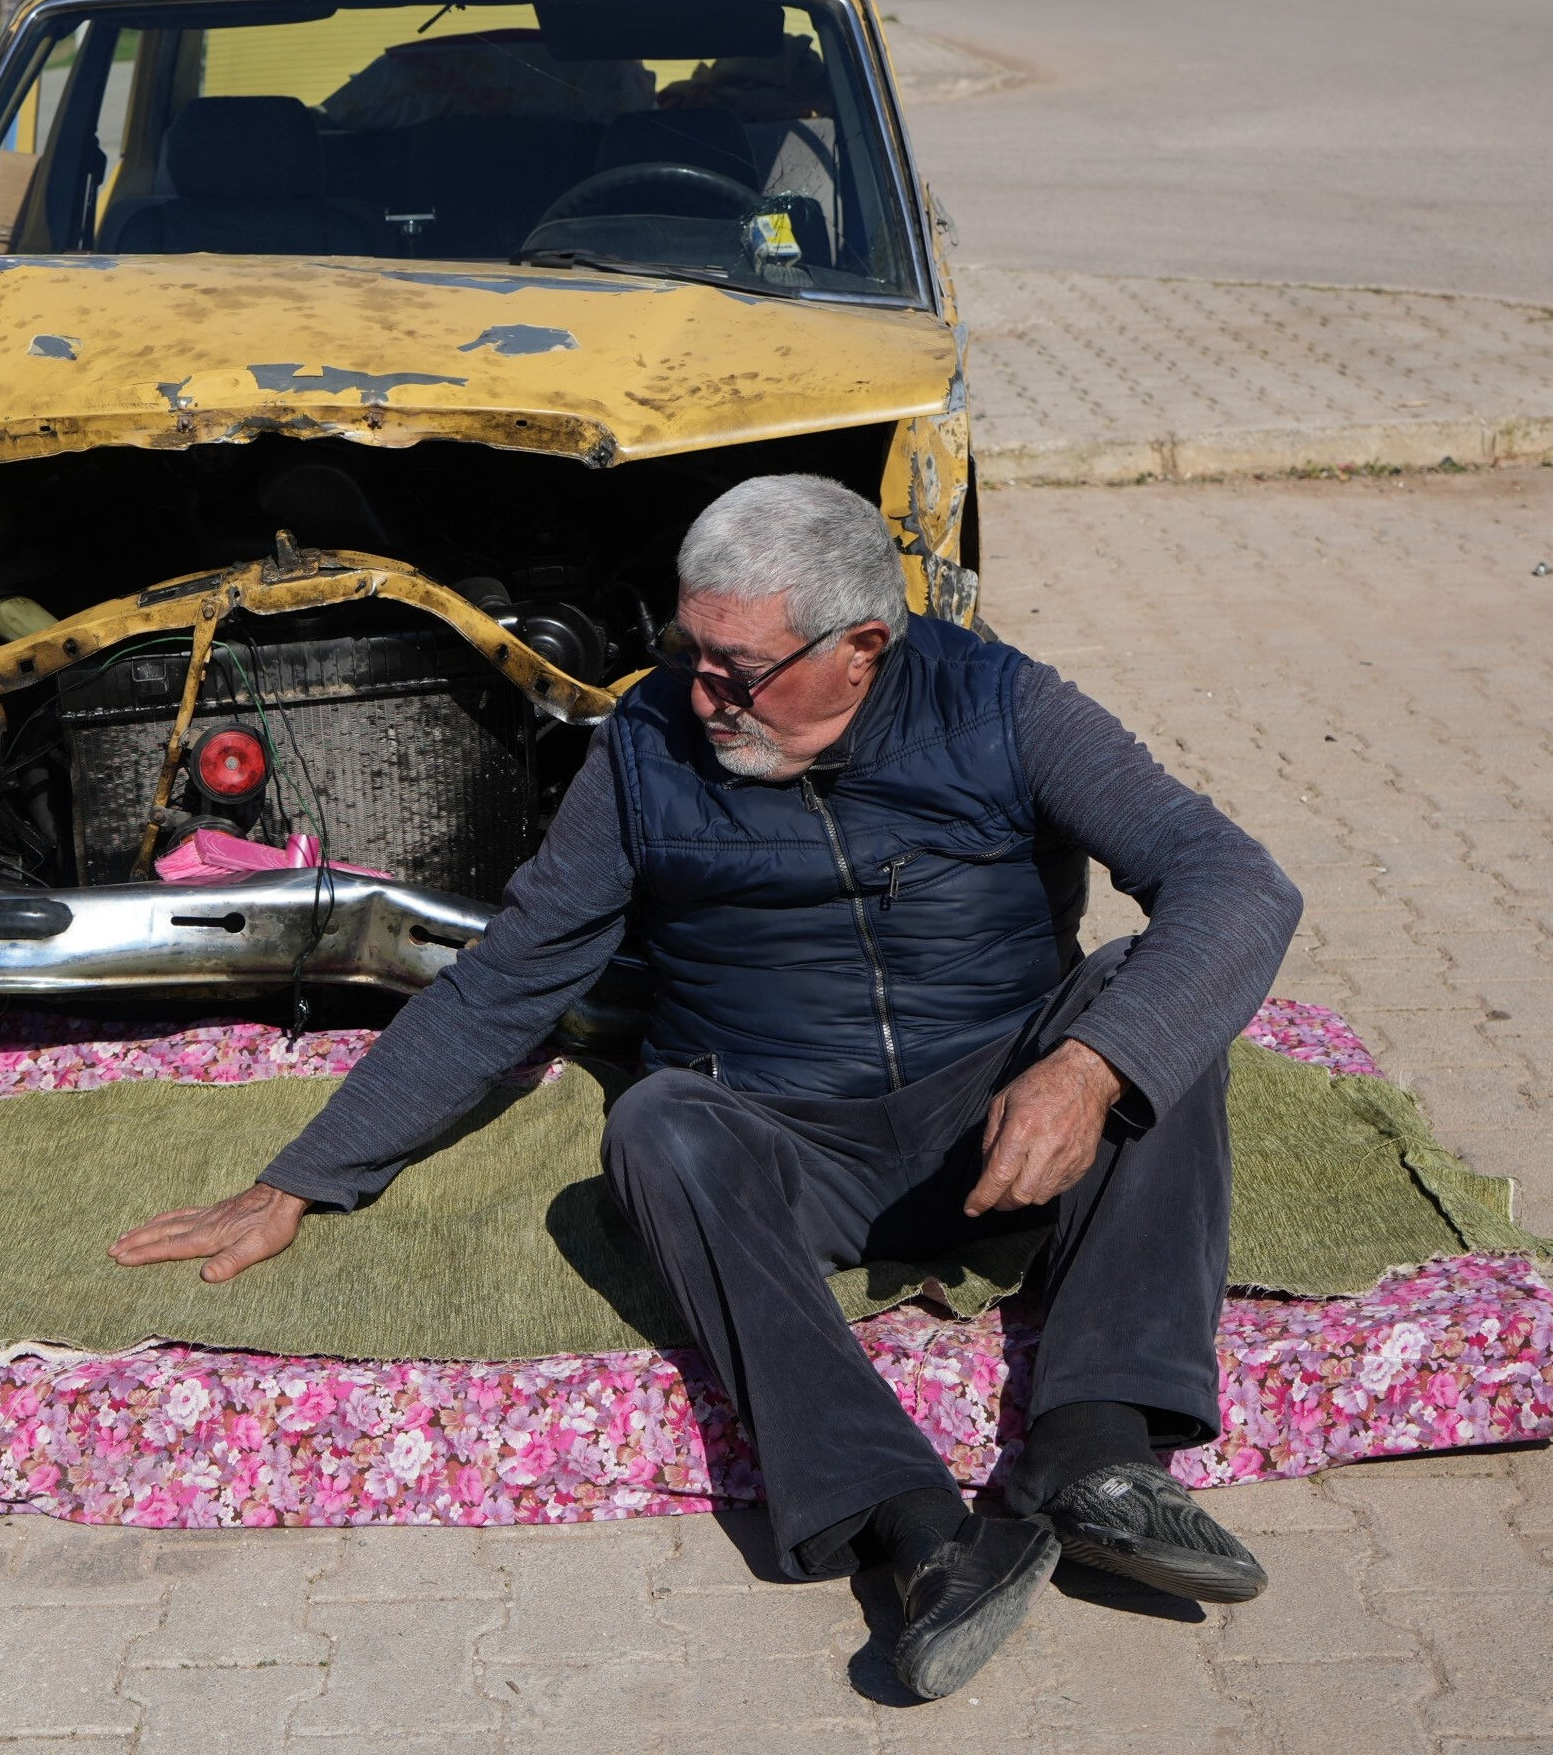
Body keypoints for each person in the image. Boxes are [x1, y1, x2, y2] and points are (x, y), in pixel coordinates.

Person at [114, 474, 1303, 1700]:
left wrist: (1088, 1070)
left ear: (861, 649)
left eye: (739, 671)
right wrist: (306, 1177)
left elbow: (1238, 883)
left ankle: (1098, 1458)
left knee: (1155, 1001)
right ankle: (918, 1534)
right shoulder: (644, 747)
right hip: (790, 1147)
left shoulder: (1001, 701)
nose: (702, 695)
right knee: (659, 1123)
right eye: (692, 654)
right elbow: (510, 978)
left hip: (1001, 1128)